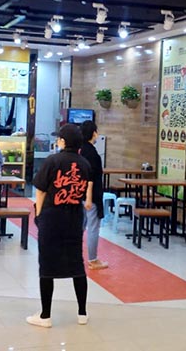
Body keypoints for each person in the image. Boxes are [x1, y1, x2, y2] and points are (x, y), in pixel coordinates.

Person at [27, 123, 93, 328]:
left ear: (63, 141)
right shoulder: (84, 164)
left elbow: (40, 190)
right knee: (77, 263)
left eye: (59, 139)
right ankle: (82, 313)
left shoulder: (52, 161)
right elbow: (85, 191)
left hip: (52, 217)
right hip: (74, 218)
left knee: (47, 265)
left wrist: (39, 215)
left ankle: (45, 315)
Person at [80, 121, 108, 270]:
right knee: (93, 228)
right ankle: (93, 259)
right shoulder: (92, 154)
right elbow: (91, 178)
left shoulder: (79, 150)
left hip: (79, 195)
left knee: (80, 226)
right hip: (91, 196)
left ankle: (74, 255)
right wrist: (89, 198)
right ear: (93, 133)